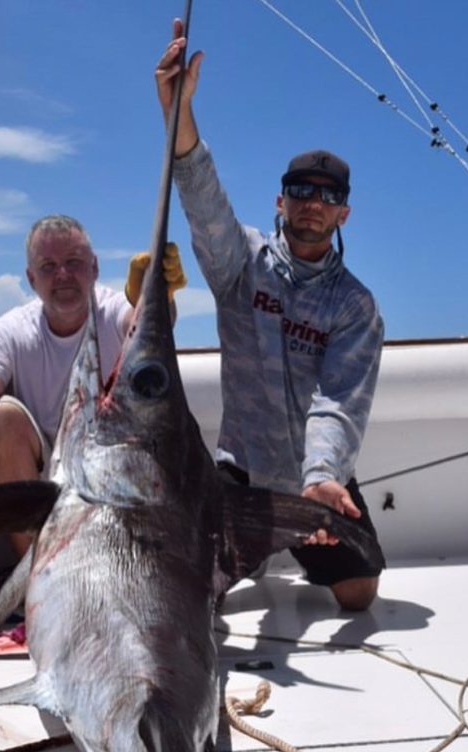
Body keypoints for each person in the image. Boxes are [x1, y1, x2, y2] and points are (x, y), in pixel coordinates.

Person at [155, 21, 386, 611]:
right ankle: (249, 551)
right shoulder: (241, 265)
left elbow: (339, 401)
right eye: (300, 191)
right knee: (188, 595)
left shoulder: (354, 306)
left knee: (359, 595)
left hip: (314, 478)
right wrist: (178, 112)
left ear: (344, 215)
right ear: (280, 201)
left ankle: (292, 544)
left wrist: (320, 481)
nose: (313, 203)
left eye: (328, 196)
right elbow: (204, 201)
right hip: (240, 474)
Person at [0, 214, 185, 555]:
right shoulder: (8, 332)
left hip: (117, 469)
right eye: (48, 266)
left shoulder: (115, 310)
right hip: (45, 479)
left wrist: (154, 299)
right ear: (30, 278)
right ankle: (37, 575)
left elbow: (147, 332)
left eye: (74, 262)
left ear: (95, 268)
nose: (63, 275)